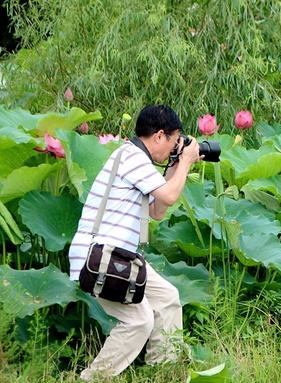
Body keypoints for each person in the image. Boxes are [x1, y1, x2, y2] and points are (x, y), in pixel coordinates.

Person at [67, 104, 202, 380]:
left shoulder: (135, 159)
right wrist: (186, 161)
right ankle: (92, 378)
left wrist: (175, 164)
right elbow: (170, 197)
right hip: (100, 257)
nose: (176, 147)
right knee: (139, 320)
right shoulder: (132, 157)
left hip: (119, 257)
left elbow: (157, 210)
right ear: (160, 136)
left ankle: (162, 370)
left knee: (167, 298)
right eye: (175, 141)